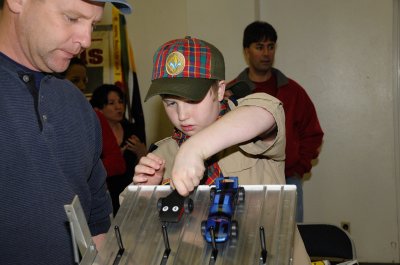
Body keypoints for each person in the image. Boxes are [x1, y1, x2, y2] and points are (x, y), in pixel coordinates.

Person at [133, 36, 311, 264]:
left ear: (219, 90)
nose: (182, 115)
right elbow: (141, 240)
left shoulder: (248, 125)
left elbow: (266, 111)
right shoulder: (161, 155)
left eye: (193, 100)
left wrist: (193, 149)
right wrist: (146, 196)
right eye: (170, 103)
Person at [0, 0, 132, 264]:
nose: (86, 40)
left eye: (93, 24)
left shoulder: (78, 105)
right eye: (71, 18)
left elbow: (96, 221)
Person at [226, 21, 324, 222]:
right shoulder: (231, 92)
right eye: (259, 47)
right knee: (246, 238)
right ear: (247, 51)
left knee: (289, 240)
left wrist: (298, 168)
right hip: (245, 180)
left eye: (271, 47)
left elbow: (312, 133)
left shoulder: (293, 91)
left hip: (288, 179)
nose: (266, 53)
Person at [91, 84, 147, 216]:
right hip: (106, 192)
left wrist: (142, 153)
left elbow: (145, 169)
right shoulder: (95, 133)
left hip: (131, 191)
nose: (118, 107)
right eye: (111, 103)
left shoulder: (133, 130)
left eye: (120, 102)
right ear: (99, 108)